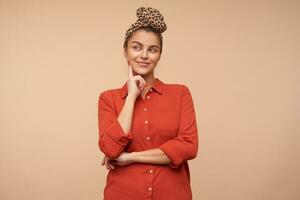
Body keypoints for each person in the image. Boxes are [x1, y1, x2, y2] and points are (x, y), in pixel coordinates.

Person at [97, 6, 199, 200]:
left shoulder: (180, 94)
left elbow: (188, 147)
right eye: (136, 47)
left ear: (159, 55)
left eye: (152, 50)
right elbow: (110, 149)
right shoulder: (108, 99)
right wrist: (131, 97)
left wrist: (130, 157)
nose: (144, 55)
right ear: (125, 51)